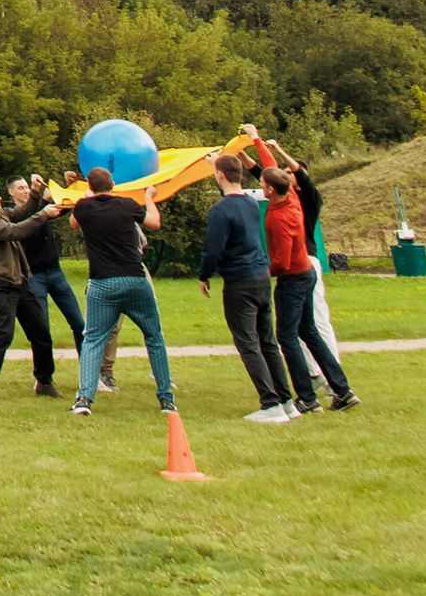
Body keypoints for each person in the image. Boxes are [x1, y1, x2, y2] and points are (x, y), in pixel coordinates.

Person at [68, 168, 175, 416]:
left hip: (102, 283)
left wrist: (85, 198)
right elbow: (154, 223)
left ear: (92, 187)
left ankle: (84, 399)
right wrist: (149, 196)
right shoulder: (127, 205)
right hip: (135, 279)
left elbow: (73, 223)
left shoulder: (84, 208)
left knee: (93, 339)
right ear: (113, 184)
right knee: (154, 337)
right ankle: (166, 400)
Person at [198, 152, 294, 423]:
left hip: (239, 282)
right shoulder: (251, 204)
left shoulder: (220, 210)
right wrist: (218, 166)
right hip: (261, 276)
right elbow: (233, 205)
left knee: (248, 343)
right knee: (268, 342)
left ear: (219, 176)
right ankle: (287, 401)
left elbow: (214, 249)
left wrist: (204, 275)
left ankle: (270, 403)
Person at [264, 166, 360, 412]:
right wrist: (256, 143)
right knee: (309, 332)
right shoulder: (292, 199)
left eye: (263, 184)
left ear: (270, 189)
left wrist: (262, 274)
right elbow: (272, 170)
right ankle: (342, 390)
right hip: (307, 273)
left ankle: (307, 398)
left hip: (293, 279)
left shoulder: (279, 217)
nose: (261, 186)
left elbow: (282, 262)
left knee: (287, 337)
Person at [11, 174, 115, 394]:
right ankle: (43, 379)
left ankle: (91, 377)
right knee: (42, 329)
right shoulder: (13, 215)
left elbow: (64, 206)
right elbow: (31, 218)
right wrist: (43, 202)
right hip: (34, 276)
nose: (25, 191)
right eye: (20, 188)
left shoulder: (40, 206)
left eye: (26, 187)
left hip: (55, 272)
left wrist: (68, 186)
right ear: (11, 193)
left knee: (80, 325)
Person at [0, 181, 61, 400]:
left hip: (19, 283)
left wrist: (36, 192)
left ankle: (44, 382)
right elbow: (16, 231)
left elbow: (23, 212)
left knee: (40, 332)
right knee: (3, 334)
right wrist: (43, 215)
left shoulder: (1, 215)